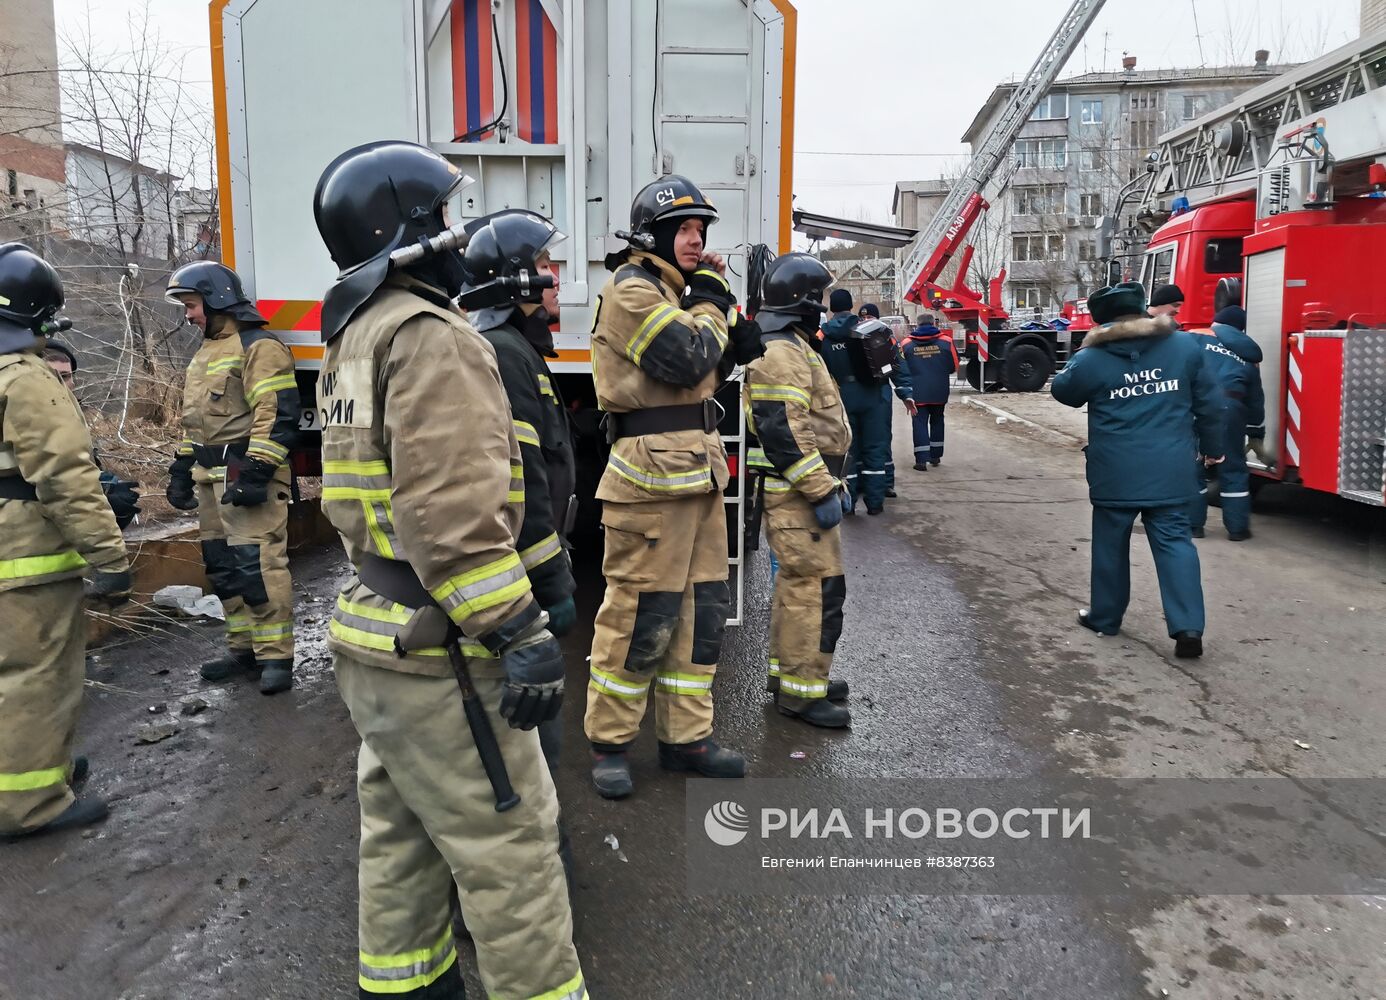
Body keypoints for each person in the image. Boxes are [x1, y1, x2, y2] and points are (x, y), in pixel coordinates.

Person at [313, 140, 584, 1000]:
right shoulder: (433, 337)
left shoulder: (354, 333)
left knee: (398, 838)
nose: (459, 231)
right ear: (412, 225)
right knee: (509, 849)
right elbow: (453, 521)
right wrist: (519, 629)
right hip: (443, 655)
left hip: (373, 631)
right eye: (446, 214)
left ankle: (404, 987)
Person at [584, 174, 761, 800]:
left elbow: (739, 348)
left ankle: (687, 739)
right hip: (649, 477)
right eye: (683, 230)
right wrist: (711, 299)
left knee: (700, 612)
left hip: (698, 470)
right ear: (653, 235)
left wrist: (722, 302)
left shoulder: (677, 293)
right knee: (638, 616)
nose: (694, 239)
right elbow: (689, 357)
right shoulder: (632, 290)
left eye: (701, 231)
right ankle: (610, 742)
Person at [0, 242, 131, 839]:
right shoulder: (26, 379)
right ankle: (31, 804)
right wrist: (109, 558)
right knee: (38, 675)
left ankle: (36, 766)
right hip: (25, 562)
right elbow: (67, 478)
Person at [461, 209, 577, 793]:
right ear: (515, 280)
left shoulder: (518, 348)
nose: (554, 277)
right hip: (519, 581)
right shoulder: (504, 353)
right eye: (543, 265)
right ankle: (538, 856)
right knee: (529, 740)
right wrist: (551, 581)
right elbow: (521, 483)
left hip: (526, 569)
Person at [1051, 281, 1223, 659]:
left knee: (1111, 544)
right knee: (1176, 542)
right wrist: (1213, 449)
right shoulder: (1184, 346)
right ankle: (1188, 626)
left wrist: (1088, 349)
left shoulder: (1093, 359)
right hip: (1172, 467)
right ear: (1144, 309)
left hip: (1115, 469)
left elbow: (1064, 392)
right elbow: (1211, 403)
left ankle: (1105, 617)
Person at [164, 261, 299, 695]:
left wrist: (257, 471)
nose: (189, 315)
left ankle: (276, 656)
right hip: (209, 475)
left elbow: (276, 414)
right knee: (223, 569)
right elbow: (196, 424)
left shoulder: (260, 347)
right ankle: (243, 649)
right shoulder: (205, 353)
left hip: (245, 470)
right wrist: (183, 468)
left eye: (192, 304)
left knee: (257, 566)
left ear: (217, 298)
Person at [745, 254, 852, 728]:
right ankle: (800, 694)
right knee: (812, 591)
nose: (823, 308)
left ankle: (796, 677)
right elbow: (784, 430)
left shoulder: (791, 345)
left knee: (803, 588)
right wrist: (821, 489)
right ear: (803, 300)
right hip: (797, 495)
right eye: (820, 297)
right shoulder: (781, 352)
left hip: (801, 492)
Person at [822, 289, 913, 515]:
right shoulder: (871, 330)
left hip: (841, 397)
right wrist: (906, 393)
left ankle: (849, 504)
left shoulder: (821, 336)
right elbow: (894, 362)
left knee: (847, 451)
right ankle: (875, 503)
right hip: (874, 395)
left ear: (831, 308)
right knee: (875, 448)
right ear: (852, 306)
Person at [42, 340, 142, 527]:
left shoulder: (71, 418)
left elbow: (79, 470)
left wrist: (106, 487)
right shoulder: (22, 422)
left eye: (66, 376)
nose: (62, 385)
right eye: (52, 377)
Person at [1189, 305, 1264, 541]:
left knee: (1193, 466)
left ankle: (1194, 526)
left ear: (1217, 323)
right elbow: (1256, 399)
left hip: (1197, 405)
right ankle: (1238, 529)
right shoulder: (1249, 355)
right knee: (1233, 467)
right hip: (1232, 410)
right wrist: (1255, 432)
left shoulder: (1195, 337)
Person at [857, 302, 910, 496]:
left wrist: (906, 394)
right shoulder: (854, 337)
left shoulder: (886, 337)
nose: (866, 321)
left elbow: (899, 367)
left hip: (880, 393)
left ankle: (886, 482)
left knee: (882, 439)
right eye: (863, 318)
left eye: (869, 317)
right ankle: (863, 481)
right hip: (863, 393)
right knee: (859, 440)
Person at [901, 313, 959, 469]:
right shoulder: (946, 342)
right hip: (939, 389)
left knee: (919, 422)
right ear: (934, 323)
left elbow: (901, 368)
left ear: (917, 325)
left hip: (917, 391)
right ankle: (935, 456)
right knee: (938, 420)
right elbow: (954, 365)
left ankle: (921, 460)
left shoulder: (906, 344)